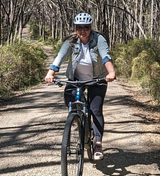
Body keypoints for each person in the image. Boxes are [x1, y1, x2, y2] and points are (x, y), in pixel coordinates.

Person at [44, 12, 116, 161]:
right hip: (76, 78)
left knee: (95, 110)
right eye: (79, 27)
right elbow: (60, 56)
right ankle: (77, 119)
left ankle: (97, 144)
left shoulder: (98, 39)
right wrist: (51, 73)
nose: (83, 31)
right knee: (69, 98)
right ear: (75, 28)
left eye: (86, 27)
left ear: (90, 28)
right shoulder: (71, 41)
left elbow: (105, 56)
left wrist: (111, 72)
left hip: (97, 79)